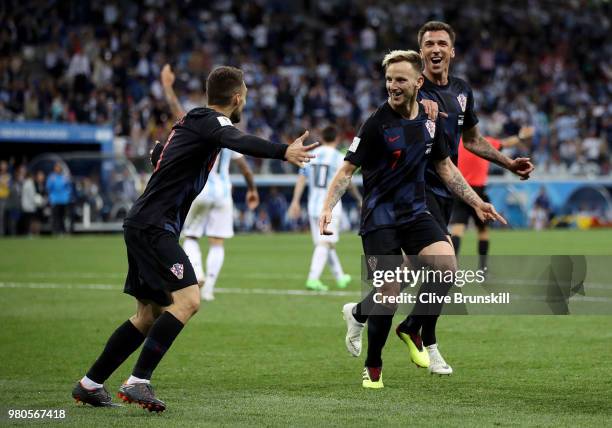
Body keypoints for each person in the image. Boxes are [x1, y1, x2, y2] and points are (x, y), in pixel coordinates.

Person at [72, 65, 319, 411]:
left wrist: (163, 159)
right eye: (245, 94)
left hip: (145, 223)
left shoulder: (192, 121)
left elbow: (167, 159)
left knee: (149, 313)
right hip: (154, 227)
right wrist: (283, 151)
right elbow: (237, 139)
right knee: (188, 300)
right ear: (237, 98)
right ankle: (138, 381)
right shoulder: (215, 123)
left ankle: (90, 384)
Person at [344, 21, 535, 375]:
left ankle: (360, 313)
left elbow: (473, 141)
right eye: (428, 43)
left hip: (448, 189)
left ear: (451, 51)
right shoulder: (415, 89)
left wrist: (509, 163)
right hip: (415, 192)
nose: (435, 49)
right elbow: (392, 111)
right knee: (443, 270)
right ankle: (423, 339)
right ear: (420, 54)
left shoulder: (462, 91)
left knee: (406, 276)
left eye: (441, 43)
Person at [320, 50, 505, 388]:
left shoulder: (430, 122)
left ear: (418, 82)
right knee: (388, 292)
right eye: (389, 79)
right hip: (380, 218)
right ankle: (373, 364)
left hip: (415, 214)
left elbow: (445, 167)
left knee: (447, 267)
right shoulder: (377, 123)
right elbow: (347, 170)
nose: (393, 85)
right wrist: (328, 207)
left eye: (400, 79)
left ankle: (395, 323)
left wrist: (477, 202)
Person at [160, 64, 260, 301]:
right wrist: (253, 189)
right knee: (218, 242)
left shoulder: (202, 124)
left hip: (200, 190)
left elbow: (177, 112)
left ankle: (198, 272)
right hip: (223, 193)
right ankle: (209, 288)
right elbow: (244, 167)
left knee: (191, 236)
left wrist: (167, 88)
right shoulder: (229, 131)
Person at [288, 125, 362, 291]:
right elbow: (345, 180)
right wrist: (358, 199)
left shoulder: (311, 155)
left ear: (321, 138)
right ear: (337, 138)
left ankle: (340, 276)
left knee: (326, 243)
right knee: (325, 243)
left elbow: (301, 179)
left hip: (313, 205)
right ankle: (313, 279)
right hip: (330, 206)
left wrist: (295, 201)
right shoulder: (338, 157)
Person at [450, 126, 534, 269]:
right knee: (482, 231)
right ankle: (482, 269)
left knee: (457, 230)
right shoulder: (485, 143)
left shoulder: (457, 144)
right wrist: (520, 137)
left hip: (461, 190)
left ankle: (452, 268)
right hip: (479, 191)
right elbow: (505, 143)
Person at [46, 162, 71, 235]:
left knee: (63, 217)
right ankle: (55, 231)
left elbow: (68, 187)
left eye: (59, 167)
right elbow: (48, 187)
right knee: (55, 217)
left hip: (63, 200)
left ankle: (63, 231)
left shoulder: (64, 177)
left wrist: (67, 195)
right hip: (55, 200)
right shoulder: (51, 177)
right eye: (56, 167)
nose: (58, 169)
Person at [0, 160, 10, 235]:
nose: (3, 167)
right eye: (2, 165)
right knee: (1, 216)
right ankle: (2, 231)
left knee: (4, 216)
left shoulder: (8, 176)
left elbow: (7, 185)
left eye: (5, 166)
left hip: (6, 198)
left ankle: (4, 232)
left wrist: (2, 181)